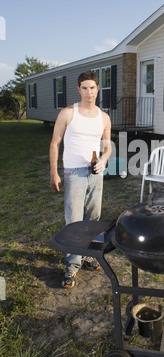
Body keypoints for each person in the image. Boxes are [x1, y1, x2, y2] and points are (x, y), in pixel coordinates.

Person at [49, 71, 112, 288]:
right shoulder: (68, 113)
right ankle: (71, 266)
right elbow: (55, 143)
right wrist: (54, 172)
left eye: (92, 88)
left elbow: (107, 145)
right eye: (84, 88)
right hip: (74, 173)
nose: (89, 92)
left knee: (93, 219)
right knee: (74, 222)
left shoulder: (104, 117)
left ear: (97, 89)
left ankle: (87, 256)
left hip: (96, 173)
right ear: (79, 90)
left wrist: (104, 159)